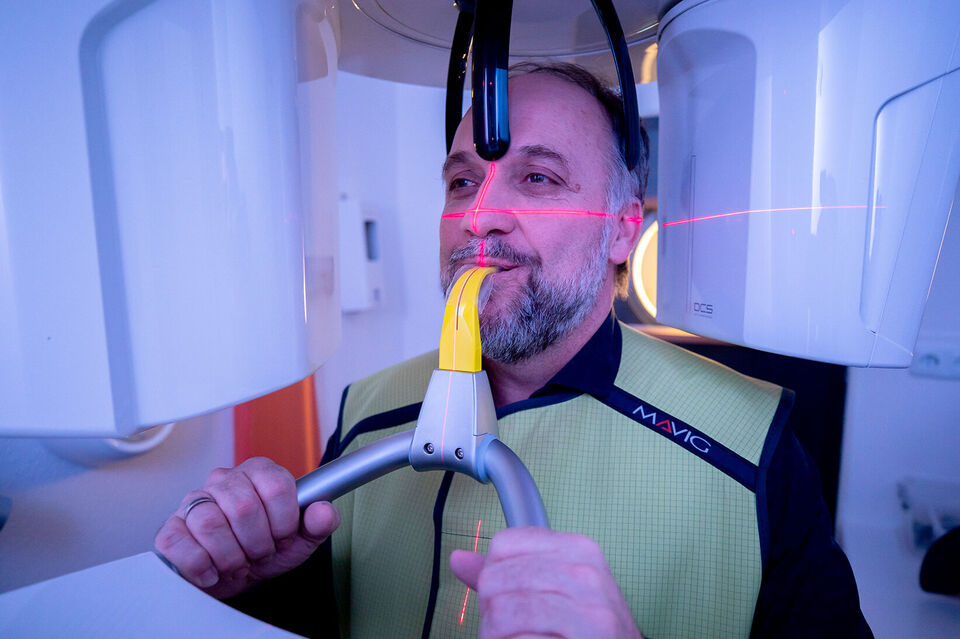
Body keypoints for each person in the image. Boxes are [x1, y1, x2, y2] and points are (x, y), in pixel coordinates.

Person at [155, 63, 872, 638]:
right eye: (463, 181)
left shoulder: (753, 445)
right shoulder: (365, 410)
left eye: (537, 178)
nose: (478, 218)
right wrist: (253, 589)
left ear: (623, 229)